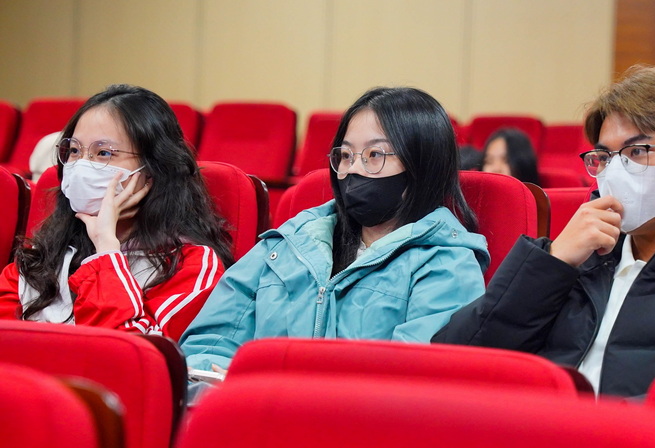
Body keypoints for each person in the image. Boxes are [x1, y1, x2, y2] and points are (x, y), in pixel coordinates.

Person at [433, 66, 655, 398]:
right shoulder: (576, 258)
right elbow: (457, 362)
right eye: (605, 157)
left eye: (638, 151)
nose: (615, 172)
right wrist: (551, 262)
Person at [180, 86, 489, 373]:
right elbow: (210, 342)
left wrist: (285, 391)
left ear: (422, 167)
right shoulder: (290, 241)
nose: (352, 169)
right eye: (346, 155)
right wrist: (216, 378)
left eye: (374, 155)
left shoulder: (447, 264)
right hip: (245, 406)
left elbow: (412, 380)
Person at [0, 84, 233, 341]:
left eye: (103, 153)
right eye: (74, 151)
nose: (82, 166)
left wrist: (106, 251)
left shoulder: (191, 265)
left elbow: (134, 354)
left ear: (152, 170)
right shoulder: (40, 258)